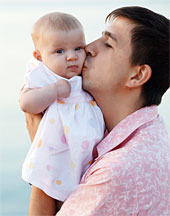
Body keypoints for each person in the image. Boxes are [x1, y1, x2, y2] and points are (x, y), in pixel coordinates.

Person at [23, 6, 170, 216]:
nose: (88, 47)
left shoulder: (116, 173)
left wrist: (44, 150)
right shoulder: (151, 131)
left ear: (137, 76)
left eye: (108, 44)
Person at [19, 12, 105, 215]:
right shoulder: (45, 76)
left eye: (78, 48)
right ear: (39, 57)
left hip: (85, 155)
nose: (72, 56)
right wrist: (54, 91)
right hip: (59, 153)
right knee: (55, 192)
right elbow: (26, 103)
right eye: (59, 51)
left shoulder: (83, 75)